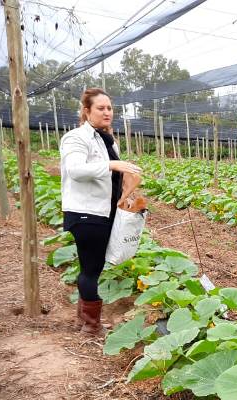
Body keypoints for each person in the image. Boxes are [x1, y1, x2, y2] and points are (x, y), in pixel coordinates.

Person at [60, 88, 141, 335]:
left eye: (109, 108)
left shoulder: (107, 139)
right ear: (87, 111)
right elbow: (75, 169)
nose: (107, 112)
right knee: (90, 267)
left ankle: (85, 320)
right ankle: (91, 326)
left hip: (103, 211)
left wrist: (127, 185)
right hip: (86, 213)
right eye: (100, 108)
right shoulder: (76, 138)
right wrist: (111, 164)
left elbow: (113, 176)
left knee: (92, 267)